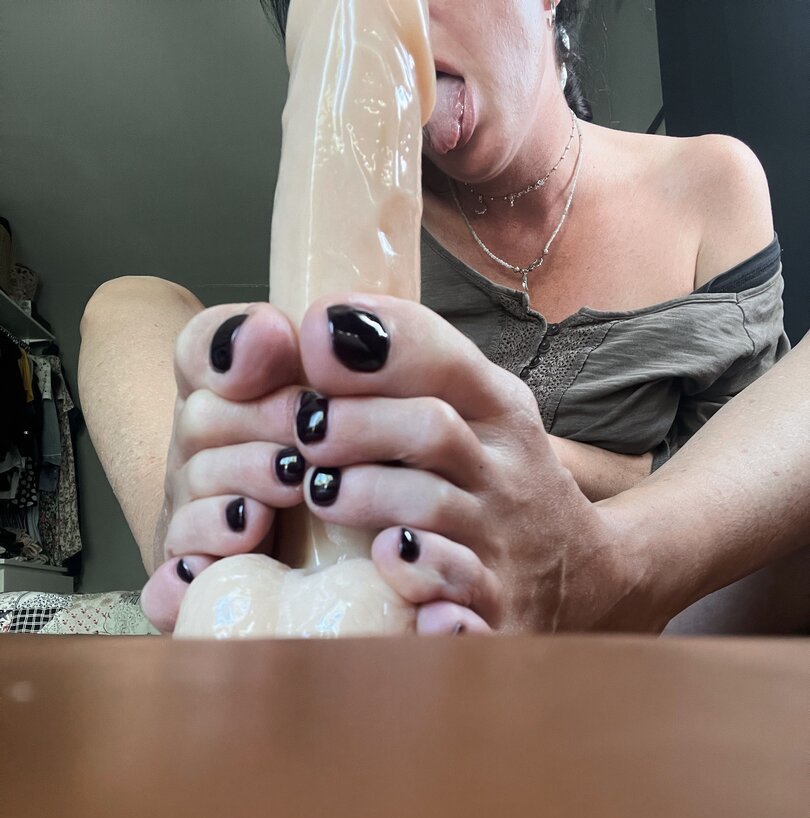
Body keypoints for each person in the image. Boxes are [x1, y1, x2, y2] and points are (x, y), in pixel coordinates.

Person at [78, 0, 794, 633]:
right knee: (125, 304)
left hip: (646, 648)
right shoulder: (353, 217)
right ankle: (189, 556)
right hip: (373, 638)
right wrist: (610, 470)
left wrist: (595, 519)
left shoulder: (710, 185)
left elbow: (754, 505)